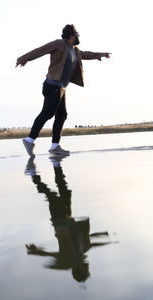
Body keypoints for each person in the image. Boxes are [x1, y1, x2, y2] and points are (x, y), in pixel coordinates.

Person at [16, 24, 111, 157]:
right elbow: (41, 50)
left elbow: (85, 54)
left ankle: (55, 146)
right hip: (52, 85)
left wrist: (100, 54)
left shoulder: (75, 50)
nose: (78, 36)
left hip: (61, 87)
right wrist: (25, 58)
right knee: (48, 113)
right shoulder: (59, 44)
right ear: (72, 35)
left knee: (62, 115)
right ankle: (29, 140)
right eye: (77, 34)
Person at [24, 156, 111, 283]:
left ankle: (32, 173)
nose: (87, 268)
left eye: (85, 271)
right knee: (65, 191)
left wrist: (37, 252)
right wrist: (105, 238)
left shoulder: (68, 261)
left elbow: (51, 255)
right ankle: (56, 165)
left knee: (52, 196)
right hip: (68, 217)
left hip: (59, 221)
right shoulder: (83, 251)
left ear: (80, 270)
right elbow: (92, 242)